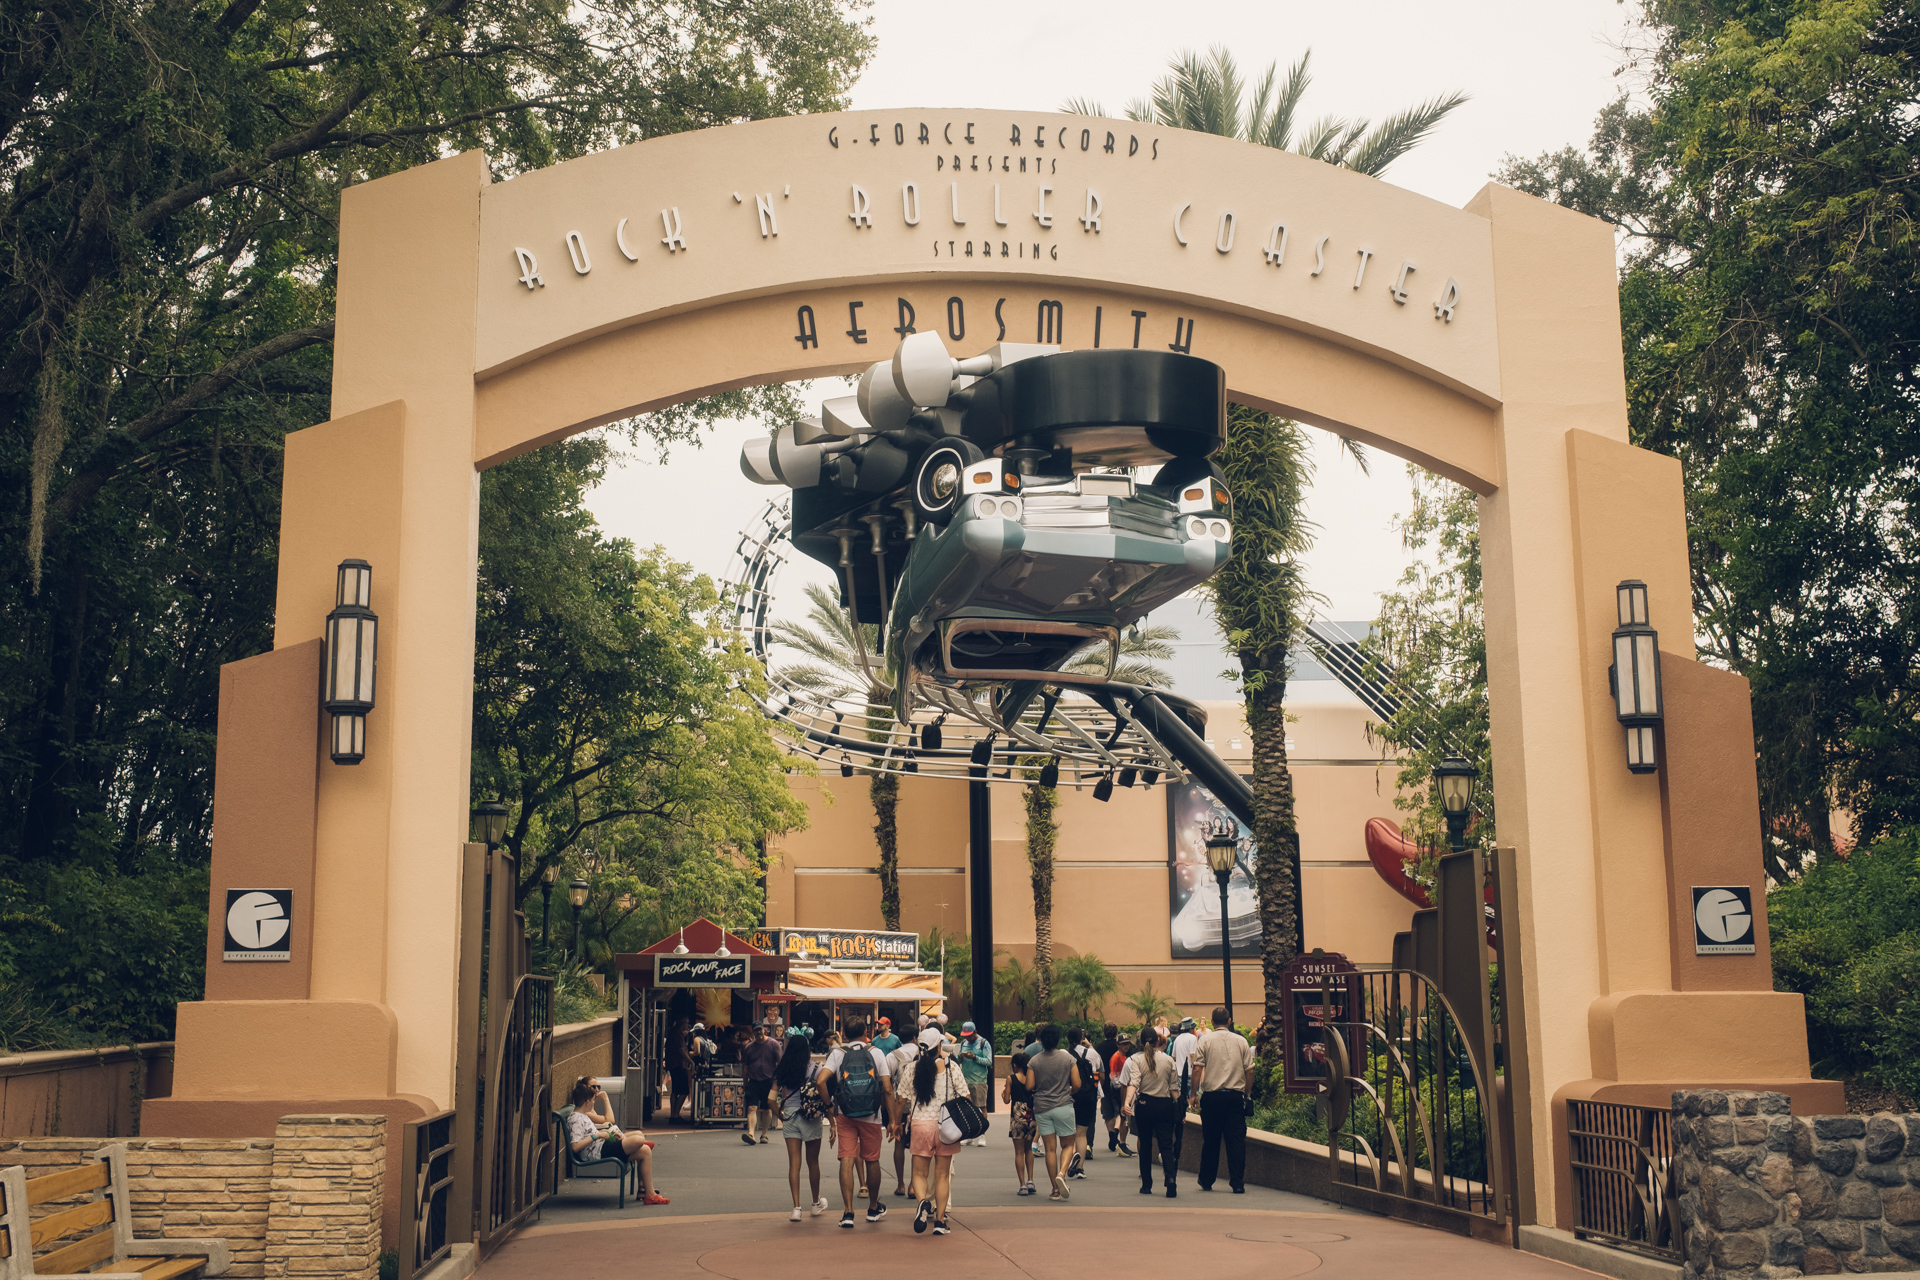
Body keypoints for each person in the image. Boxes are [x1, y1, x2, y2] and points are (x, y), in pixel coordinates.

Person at [817, 1016, 890, 1228]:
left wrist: (830, 1107)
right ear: (866, 1032)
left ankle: (848, 1212)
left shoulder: (838, 1054)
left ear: (844, 1034)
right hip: (872, 1115)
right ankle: (873, 1208)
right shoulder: (876, 1052)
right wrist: (893, 1119)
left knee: (846, 1159)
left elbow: (820, 1081)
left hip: (845, 1114)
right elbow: (887, 1088)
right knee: (872, 1160)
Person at [898, 1028, 968, 1235]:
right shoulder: (951, 1067)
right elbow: (966, 1096)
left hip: (920, 1125)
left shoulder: (911, 1069)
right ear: (939, 1046)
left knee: (919, 1173)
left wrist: (894, 1122)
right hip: (946, 1128)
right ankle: (940, 1221)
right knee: (942, 1175)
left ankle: (922, 1203)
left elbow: (901, 1099)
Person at [566, 1077, 668, 1205]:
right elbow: (575, 1147)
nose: (593, 1102)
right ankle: (635, 1145)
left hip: (601, 1147)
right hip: (597, 1152)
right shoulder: (576, 1119)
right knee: (638, 1139)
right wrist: (597, 1136)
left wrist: (602, 1134)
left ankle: (648, 1194)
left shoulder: (581, 1115)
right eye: (592, 1100)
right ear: (587, 1102)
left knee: (645, 1151)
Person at [1016, 1023, 1081, 1200]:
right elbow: (1077, 1084)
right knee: (1068, 1145)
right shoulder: (1068, 1059)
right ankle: (1062, 1173)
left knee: (1050, 1149)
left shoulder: (1034, 1061)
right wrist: (1068, 1091)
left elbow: (1029, 1085)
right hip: (1064, 1105)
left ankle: (1055, 1189)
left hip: (1042, 1108)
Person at [1192, 1006, 1254, 1193]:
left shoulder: (1205, 1040)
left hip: (1212, 1097)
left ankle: (1206, 1180)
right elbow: (1250, 1070)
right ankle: (1237, 1183)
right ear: (1229, 1021)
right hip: (1235, 1097)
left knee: (1211, 1140)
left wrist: (1193, 1094)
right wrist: (1246, 1094)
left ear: (1212, 1022)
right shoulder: (1241, 1041)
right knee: (1236, 1141)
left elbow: (1197, 1068)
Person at [773, 1031, 830, 1220]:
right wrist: (831, 1115)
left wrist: (781, 1115)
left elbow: (770, 1100)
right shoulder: (817, 1068)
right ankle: (815, 1203)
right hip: (811, 1116)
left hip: (790, 1115)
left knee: (794, 1163)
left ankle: (796, 1208)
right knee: (813, 1162)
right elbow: (824, 1091)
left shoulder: (783, 1069)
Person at [1118, 1027, 1181, 1197]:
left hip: (1145, 1106)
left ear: (1140, 1042)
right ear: (1158, 1041)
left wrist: (1126, 1102)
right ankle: (1170, 1179)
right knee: (1166, 1144)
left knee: (1145, 1145)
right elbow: (1174, 1089)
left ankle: (1146, 1184)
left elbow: (1134, 1083)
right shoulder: (1168, 1060)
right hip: (1165, 1105)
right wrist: (1180, 1108)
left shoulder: (1137, 1060)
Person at [882, 1028, 922, 1198]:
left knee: (899, 1143)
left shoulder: (892, 1056)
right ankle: (913, 1185)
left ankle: (900, 1185)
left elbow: (886, 1083)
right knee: (917, 1148)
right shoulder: (922, 1054)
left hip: (899, 1105)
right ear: (915, 1037)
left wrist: (892, 1116)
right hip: (919, 1106)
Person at [1066, 1027, 1103, 1176]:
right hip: (1088, 1096)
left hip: (1070, 1095)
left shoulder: (1064, 1054)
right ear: (1082, 1038)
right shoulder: (1093, 1053)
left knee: (1070, 1132)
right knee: (1082, 1133)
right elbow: (1099, 1071)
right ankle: (1080, 1168)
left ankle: (1070, 1159)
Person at [1002, 1043, 1038, 1195]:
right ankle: (1031, 1180)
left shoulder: (1011, 1078)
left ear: (1015, 1065)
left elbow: (1006, 1100)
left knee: (1018, 1152)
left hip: (1017, 1116)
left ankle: (1022, 1185)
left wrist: (1003, 1094)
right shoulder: (1032, 1078)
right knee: (1029, 1149)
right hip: (1031, 1115)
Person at [952, 1021, 994, 1146]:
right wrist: (960, 1057)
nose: (967, 1038)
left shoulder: (983, 1043)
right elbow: (958, 1060)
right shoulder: (963, 1043)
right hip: (965, 1080)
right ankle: (969, 1135)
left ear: (975, 1032)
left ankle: (982, 1135)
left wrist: (975, 1057)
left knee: (981, 1107)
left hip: (979, 1080)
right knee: (967, 1108)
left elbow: (989, 1061)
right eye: (965, 1035)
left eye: (969, 1035)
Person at [741, 1021, 783, 1146]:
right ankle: (751, 1134)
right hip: (753, 1081)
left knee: (767, 1108)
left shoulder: (774, 1044)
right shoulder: (749, 1047)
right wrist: (744, 1082)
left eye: (760, 1029)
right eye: (756, 1030)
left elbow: (779, 1064)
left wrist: (779, 1082)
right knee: (751, 1107)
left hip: (769, 1081)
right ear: (753, 1032)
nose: (758, 1032)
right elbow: (745, 1067)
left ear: (764, 1030)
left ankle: (764, 1134)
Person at [1106, 1031, 1135, 1156]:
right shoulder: (1116, 1057)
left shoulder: (1125, 1057)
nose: (1126, 1046)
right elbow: (1113, 1075)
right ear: (1118, 1044)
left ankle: (1119, 1138)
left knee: (1124, 1115)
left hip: (1124, 1087)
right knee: (1123, 1114)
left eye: (1127, 1043)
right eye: (1123, 1044)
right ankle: (1118, 1137)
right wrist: (1121, 1086)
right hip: (1119, 1089)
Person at [666, 1019, 693, 1122]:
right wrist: (691, 1061)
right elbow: (681, 1050)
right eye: (686, 1023)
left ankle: (673, 1115)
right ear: (681, 1024)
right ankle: (676, 1115)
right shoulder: (678, 1035)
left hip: (673, 1065)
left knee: (675, 1091)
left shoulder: (674, 1033)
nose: (688, 1025)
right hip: (678, 1064)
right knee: (684, 1090)